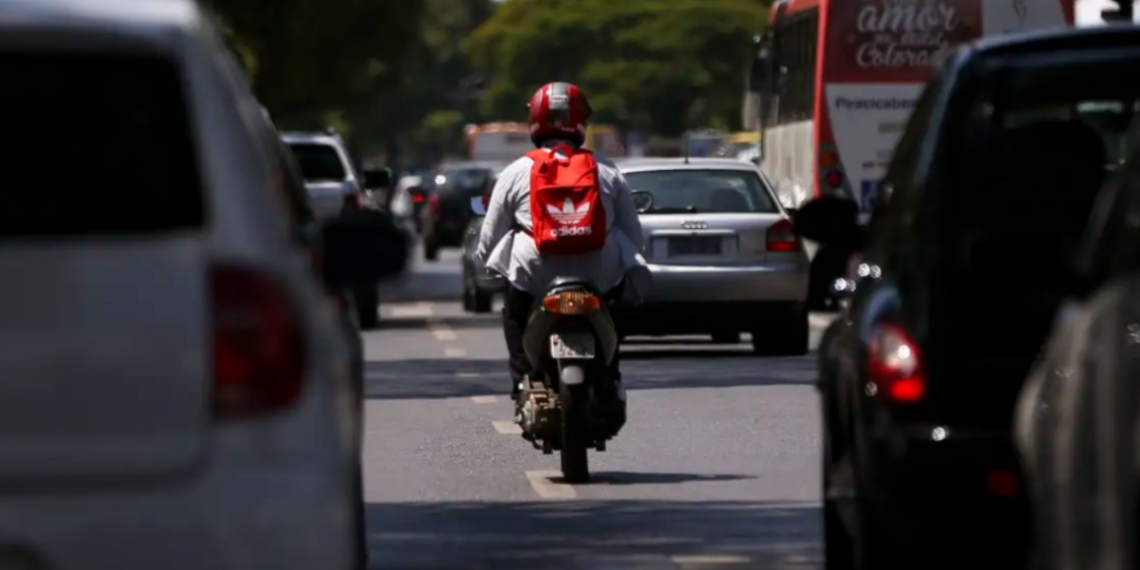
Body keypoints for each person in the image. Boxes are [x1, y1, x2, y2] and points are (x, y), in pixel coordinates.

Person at [475, 82, 649, 403]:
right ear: (581, 121)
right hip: (598, 277)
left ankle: (522, 381)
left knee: (514, 313)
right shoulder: (607, 170)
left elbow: (489, 241)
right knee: (619, 303)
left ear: (536, 120)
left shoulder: (515, 172)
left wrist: (491, 265)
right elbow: (634, 239)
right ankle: (610, 375)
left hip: (535, 277)